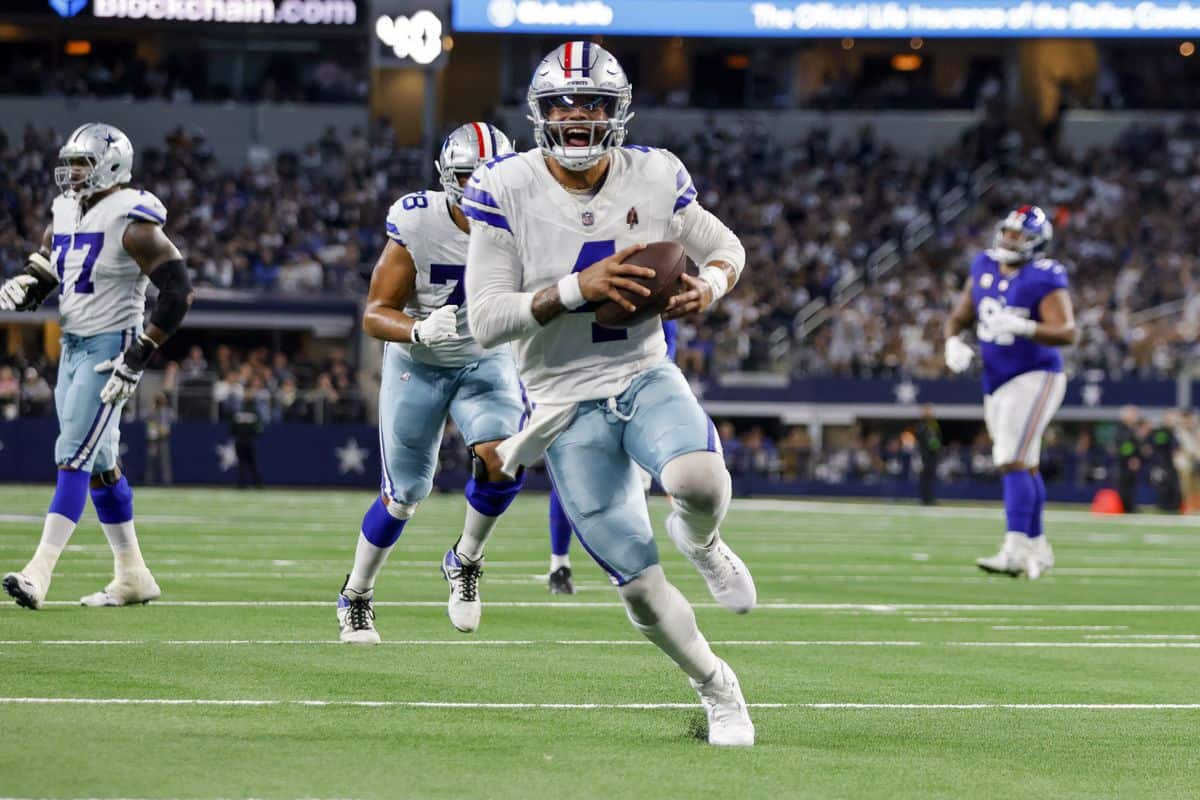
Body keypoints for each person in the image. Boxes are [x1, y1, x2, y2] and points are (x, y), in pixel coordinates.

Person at [465, 43, 756, 747]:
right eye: (561, 104)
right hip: (561, 401)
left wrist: (706, 288)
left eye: (591, 102)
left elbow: (728, 250)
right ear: (539, 114)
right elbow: (484, 320)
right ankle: (719, 689)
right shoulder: (503, 186)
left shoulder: (654, 175)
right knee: (634, 577)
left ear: (615, 112)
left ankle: (704, 538)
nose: (575, 116)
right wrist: (576, 290)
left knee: (698, 479)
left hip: (641, 371)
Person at [336, 123, 527, 644]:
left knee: (503, 458)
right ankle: (356, 594)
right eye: (470, 177)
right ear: (448, 176)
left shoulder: (529, 220)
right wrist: (417, 328)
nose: (480, 189)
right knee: (404, 495)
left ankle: (465, 559)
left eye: (492, 177)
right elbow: (375, 313)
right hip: (416, 362)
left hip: (483, 360)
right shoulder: (419, 223)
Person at [1, 122, 194, 609]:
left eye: (81, 164)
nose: (71, 173)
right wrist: (29, 283)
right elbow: (53, 259)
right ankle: (133, 575)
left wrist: (139, 354)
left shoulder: (133, 219)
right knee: (101, 465)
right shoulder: (66, 209)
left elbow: (178, 291)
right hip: (72, 345)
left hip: (111, 347)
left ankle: (38, 573)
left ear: (110, 165)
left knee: (73, 456)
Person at [943, 205, 1075, 580]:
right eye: (1008, 232)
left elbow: (1067, 331)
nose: (1009, 240)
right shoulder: (983, 265)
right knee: (1024, 462)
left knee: (1010, 457)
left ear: (1036, 242)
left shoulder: (1043, 275)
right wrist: (952, 341)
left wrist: (1024, 326)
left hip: (1036, 374)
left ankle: (1016, 548)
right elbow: (961, 313)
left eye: (1018, 236)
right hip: (997, 378)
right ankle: (1037, 545)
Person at [545, 319, 677, 595]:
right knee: (570, 478)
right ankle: (559, 563)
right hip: (583, 393)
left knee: (637, 488)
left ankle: (634, 567)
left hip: (632, 398)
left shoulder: (655, 292)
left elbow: (666, 346)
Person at [231, 395, 263, 489]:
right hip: (249, 441)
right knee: (252, 464)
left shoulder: (237, 413)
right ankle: (258, 484)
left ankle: (241, 485)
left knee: (241, 463)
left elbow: (232, 429)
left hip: (239, 441)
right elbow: (259, 429)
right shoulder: (254, 413)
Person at [1114, 405, 1142, 514]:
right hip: (1124, 464)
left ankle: (1130, 506)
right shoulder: (1122, 429)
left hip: (1128, 463)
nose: (1136, 416)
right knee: (1125, 485)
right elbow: (1125, 446)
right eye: (1133, 414)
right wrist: (1131, 458)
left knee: (1131, 485)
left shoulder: (1131, 429)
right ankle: (1127, 507)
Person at [144, 392, 174, 486]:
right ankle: (149, 481)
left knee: (164, 462)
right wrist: (157, 429)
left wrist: (162, 429)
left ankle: (167, 482)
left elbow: (168, 426)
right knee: (151, 461)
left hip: (163, 439)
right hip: (153, 440)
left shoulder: (167, 412)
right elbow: (149, 425)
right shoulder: (151, 412)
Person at [915, 403, 942, 506]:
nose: (930, 412)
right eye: (928, 410)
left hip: (932, 456)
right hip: (925, 455)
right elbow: (929, 440)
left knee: (930, 478)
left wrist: (937, 448)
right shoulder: (922, 425)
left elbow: (936, 438)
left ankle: (929, 498)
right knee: (925, 478)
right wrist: (935, 447)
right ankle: (925, 499)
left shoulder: (932, 424)